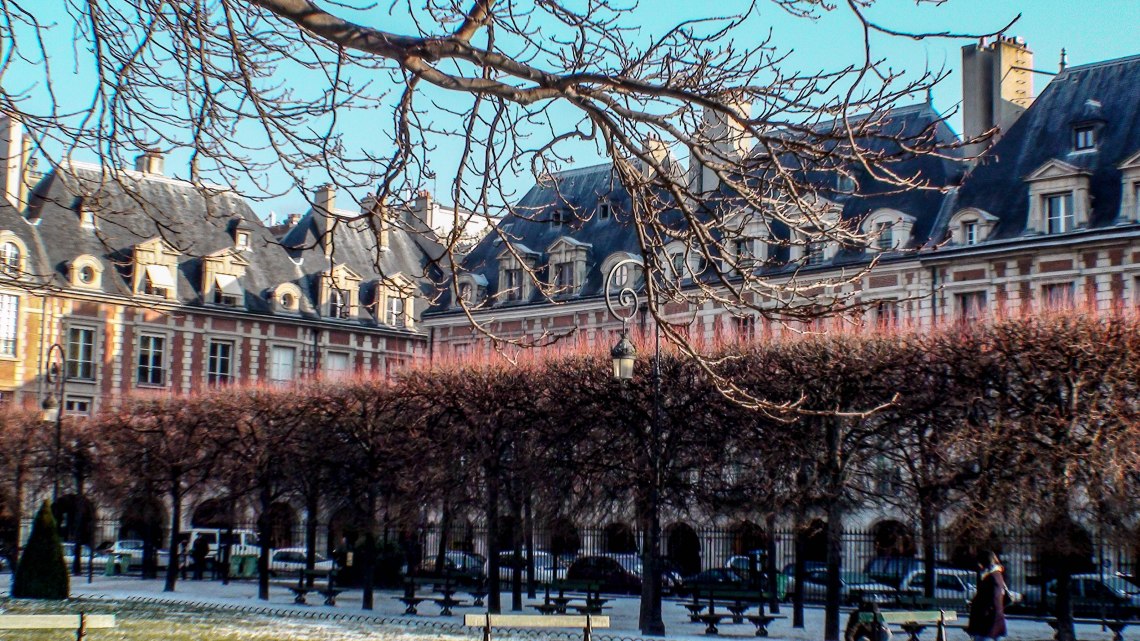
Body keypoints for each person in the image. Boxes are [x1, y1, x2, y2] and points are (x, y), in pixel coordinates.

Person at [966, 550, 1008, 641]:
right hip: (995, 621)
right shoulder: (997, 575)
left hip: (987, 623)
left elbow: (991, 599)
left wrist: (978, 607)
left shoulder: (991, 577)